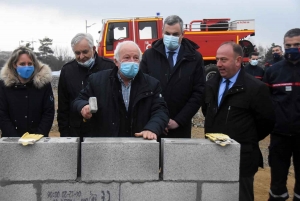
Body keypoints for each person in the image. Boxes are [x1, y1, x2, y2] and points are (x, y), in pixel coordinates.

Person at [202, 41, 275, 201]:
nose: (218, 64)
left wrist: (244, 139)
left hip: (242, 159)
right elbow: (207, 111)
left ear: (238, 60)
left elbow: (266, 122)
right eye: (217, 60)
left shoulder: (255, 88)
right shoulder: (211, 84)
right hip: (213, 155)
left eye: (223, 60)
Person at [72, 41, 169, 139]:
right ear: (116, 61)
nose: (132, 62)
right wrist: (83, 107)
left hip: (139, 144)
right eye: (127, 58)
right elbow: (78, 100)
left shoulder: (152, 84)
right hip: (107, 144)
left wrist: (151, 129)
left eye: (136, 58)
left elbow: (161, 111)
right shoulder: (97, 81)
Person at [140, 15, 205, 139]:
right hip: (153, 125)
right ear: (162, 33)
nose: (171, 37)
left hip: (180, 126)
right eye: (167, 33)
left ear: (183, 34)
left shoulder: (194, 58)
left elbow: (199, 92)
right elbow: (143, 88)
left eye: (175, 34)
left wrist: (179, 121)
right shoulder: (149, 55)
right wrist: (158, 121)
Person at [263, 28, 300, 201]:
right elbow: (264, 102)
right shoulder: (273, 72)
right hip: (279, 136)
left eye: (297, 45)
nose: (292, 48)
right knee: (277, 183)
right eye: (289, 45)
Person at [57, 33, 115, 140]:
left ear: (93, 48)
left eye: (85, 52)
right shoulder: (67, 71)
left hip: (104, 131)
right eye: (77, 53)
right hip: (77, 131)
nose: (81, 57)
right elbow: (63, 106)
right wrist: (64, 134)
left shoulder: (109, 67)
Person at [0, 46, 54, 137]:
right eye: (22, 64)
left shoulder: (44, 84)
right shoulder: (4, 85)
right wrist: (13, 138)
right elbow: (2, 113)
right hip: (11, 141)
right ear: (14, 64)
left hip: (38, 140)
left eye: (30, 64)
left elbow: (48, 112)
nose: (27, 67)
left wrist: (37, 136)